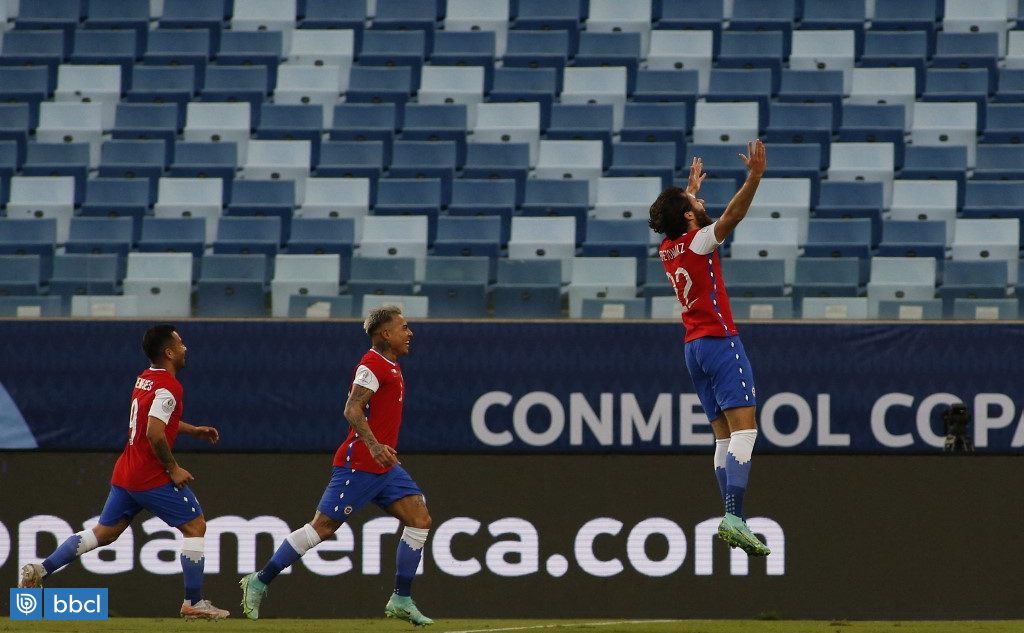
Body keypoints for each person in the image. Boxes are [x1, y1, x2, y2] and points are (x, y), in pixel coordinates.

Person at [18, 324, 230, 619]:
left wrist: (192, 430)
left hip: (127, 472)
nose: (185, 348)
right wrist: (173, 467)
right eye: (180, 344)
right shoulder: (170, 386)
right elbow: (155, 433)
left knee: (104, 533)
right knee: (195, 526)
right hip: (150, 474)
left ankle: (40, 570)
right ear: (169, 352)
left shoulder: (145, 378)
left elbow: (153, 420)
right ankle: (193, 602)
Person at [240, 305, 433, 625]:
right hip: (358, 463)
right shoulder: (371, 364)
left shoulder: (392, 365)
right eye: (404, 327)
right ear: (386, 334)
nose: (409, 333)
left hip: (385, 467)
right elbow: (352, 409)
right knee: (322, 528)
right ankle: (259, 580)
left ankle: (401, 598)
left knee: (420, 519)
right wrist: (373, 445)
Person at [648, 140, 772, 557]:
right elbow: (732, 216)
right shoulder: (700, 241)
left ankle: (732, 514)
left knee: (722, 439)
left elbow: (684, 227)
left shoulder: (668, 249)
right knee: (746, 431)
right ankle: (734, 516)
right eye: (694, 201)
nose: (701, 201)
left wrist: (686, 196)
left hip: (692, 349)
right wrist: (754, 177)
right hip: (720, 342)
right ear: (687, 217)